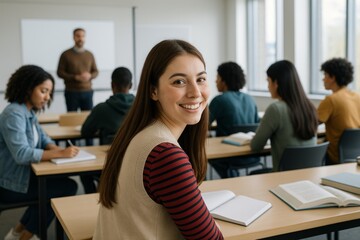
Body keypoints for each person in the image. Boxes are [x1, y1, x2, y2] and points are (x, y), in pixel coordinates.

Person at [93, 39, 223, 239]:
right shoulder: (164, 154)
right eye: (179, 81)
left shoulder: (141, 134)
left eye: (201, 79)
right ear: (153, 90)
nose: (195, 92)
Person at [0, 65, 79, 240]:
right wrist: (60, 154)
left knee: (56, 186)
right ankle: (26, 236)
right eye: (44, 91)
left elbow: (43, 139)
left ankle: (17, 234)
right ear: (28, 88)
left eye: (49, 93)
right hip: (11, 184)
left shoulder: (27, 112)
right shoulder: (13, 114)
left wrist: (57, 149)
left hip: (24, 178)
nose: (47, 97)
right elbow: (21, 153)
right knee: (65, 187)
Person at [250, 60, 318, 172]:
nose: (268, 87)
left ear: (276, 83)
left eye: (268, 81)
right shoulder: (310, 107)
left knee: (253, 174)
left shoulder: (275, 109)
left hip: (283, 177)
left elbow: (256, 146)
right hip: (309, 176)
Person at [79, 67, 135, 193]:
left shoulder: (101, 109)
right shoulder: (141, 107)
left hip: (108, 161)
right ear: (131, 85)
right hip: (136, 161)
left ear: (112, 85)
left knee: (83, 170)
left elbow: (85, 132)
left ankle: (91, 197)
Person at [208, 61, 260, 178]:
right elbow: (257, 126)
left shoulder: (219, 100)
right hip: (251, 154)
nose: (215, 81)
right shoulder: (250, 99)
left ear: (224, 80)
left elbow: (203, 125)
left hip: (226, 157)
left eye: (217, 77)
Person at [317, 58, 360, 165]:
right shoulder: (357, 97)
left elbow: (312, 122)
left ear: (333, 77)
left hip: (334, 158)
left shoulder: (331, 100)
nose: (323, 79)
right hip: (355, 156)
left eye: (325, 75)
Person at [57, 27, 98, 112]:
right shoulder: (65, 54)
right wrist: (75, 77)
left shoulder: (90, 54)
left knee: (88, 118)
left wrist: (90, 76)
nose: (80, 38)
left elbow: (96, 71)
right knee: (71, 119)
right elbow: (60, 72)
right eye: (78, 36)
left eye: (83, 36)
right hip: (71, 92)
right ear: (73, 37)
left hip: (87, 92)